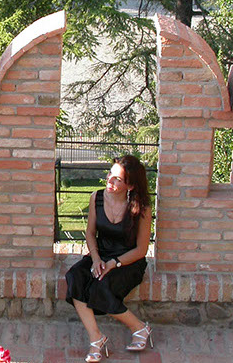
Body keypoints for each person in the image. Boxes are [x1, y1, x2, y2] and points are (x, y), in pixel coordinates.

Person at [65, 155, 153, 362]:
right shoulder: (96, 197)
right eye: (110, 175)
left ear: (130, 185)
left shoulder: (142, 208)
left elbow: (141, 250)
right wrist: (96, 259)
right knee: (75, 276)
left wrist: (115, 263)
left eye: (117, 179)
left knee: (100, 287)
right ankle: (96, 337)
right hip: (102, 254)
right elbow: (89, 233)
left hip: (128, 261)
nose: (110, 181)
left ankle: (140, 328)